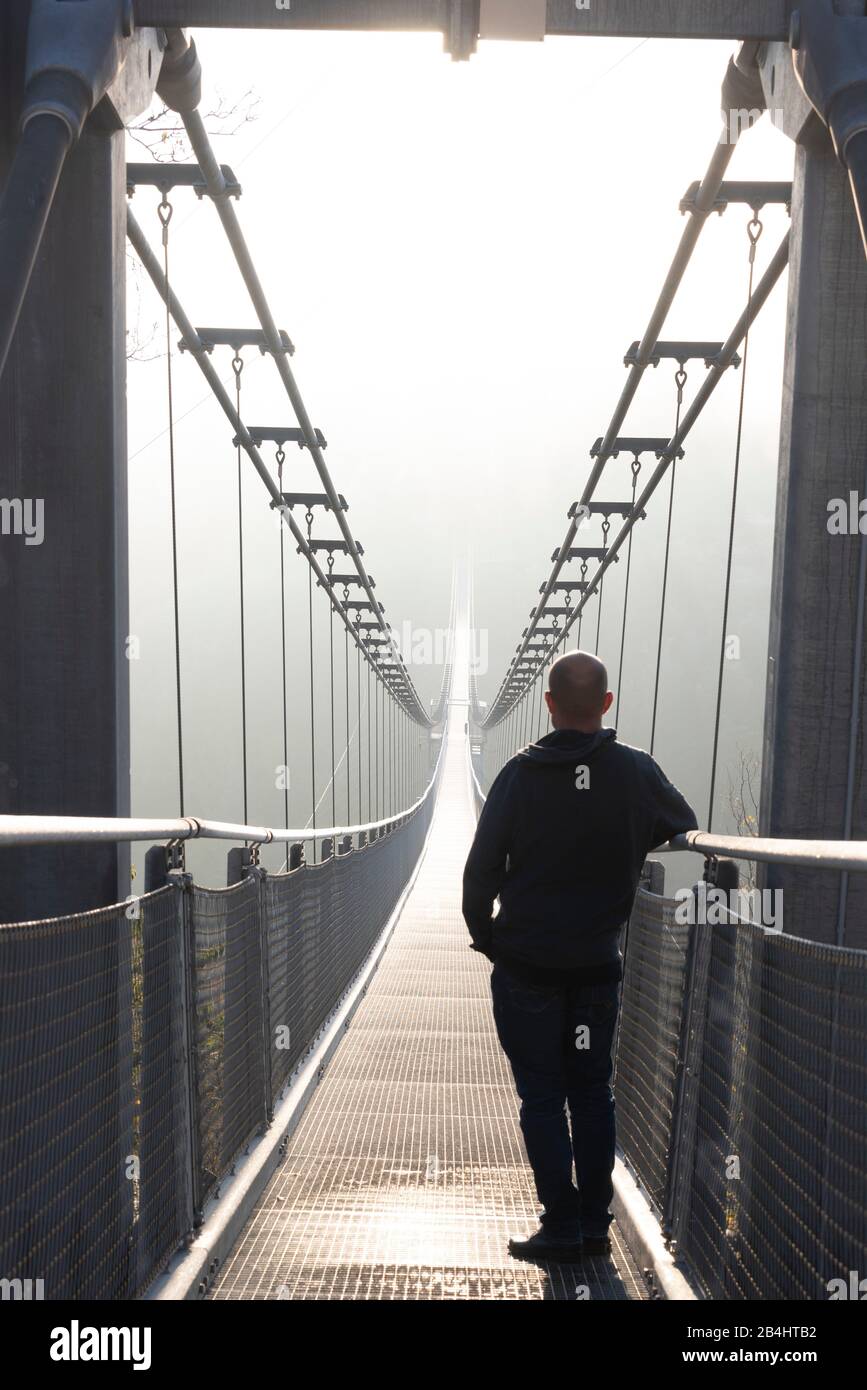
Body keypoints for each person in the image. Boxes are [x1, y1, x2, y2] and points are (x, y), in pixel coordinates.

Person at [463, 651, 697, 1263]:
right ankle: (595, 1227)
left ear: (546, 703)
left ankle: (560, 1225)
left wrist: (489, 940)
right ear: (607, 705)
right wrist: (619, 842)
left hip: (528, 971)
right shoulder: (637, 773)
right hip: (596, 970)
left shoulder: (518, 775)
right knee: (592, 1093)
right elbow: (684, 822)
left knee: (542, 1096)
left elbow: (479, 875)